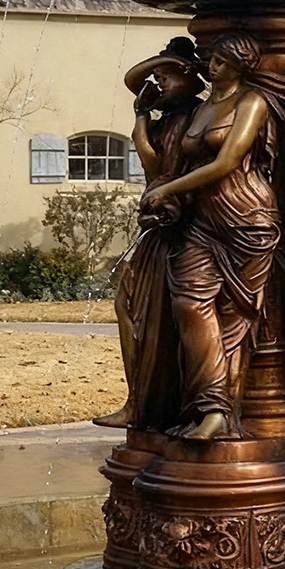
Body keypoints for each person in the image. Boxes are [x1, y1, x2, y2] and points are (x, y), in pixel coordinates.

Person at [140, 32, 280, 440]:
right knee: (189, 303)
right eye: (210, 60)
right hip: (202, 217)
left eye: (220, 61)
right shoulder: (201, 108)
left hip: (247, 217)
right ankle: (209, 403)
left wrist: (168, 190)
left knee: (235, 317)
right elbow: (168, 160)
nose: (212, 67)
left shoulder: (251, 102)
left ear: (239, 66)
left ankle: (219, 414)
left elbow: (228, 161)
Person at [93, 37, 206, 431]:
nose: (155, 82)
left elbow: (167, 173)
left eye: (164, 75)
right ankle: (140, 401)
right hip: (159, 224)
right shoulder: (169, 121)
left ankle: (167, 404)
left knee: (158, 313)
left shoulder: (197, 118)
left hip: (184, 226)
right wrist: (142, 115)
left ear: (191, 77)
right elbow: (152, 163)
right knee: (131, 306)